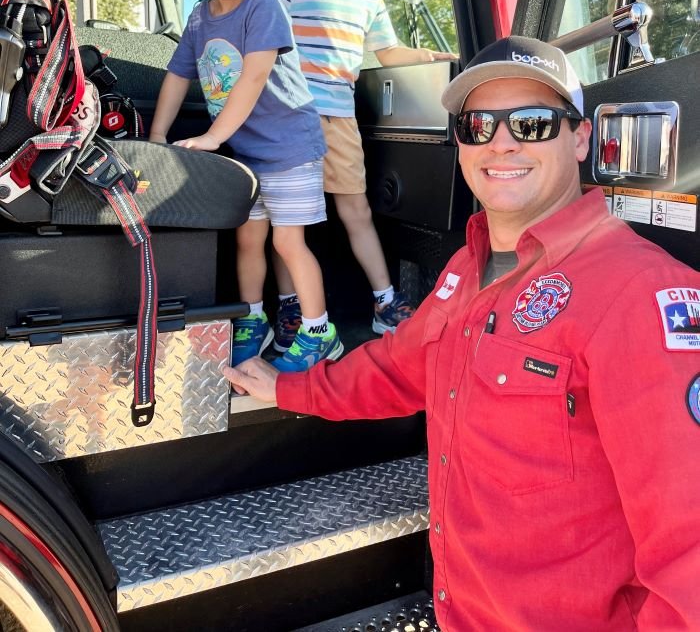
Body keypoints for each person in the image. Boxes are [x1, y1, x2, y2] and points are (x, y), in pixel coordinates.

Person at [224, 35, 700, 630]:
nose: (500, 142)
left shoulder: (644, 296)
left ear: (580, 138)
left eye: (530, 123)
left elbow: (691, 553)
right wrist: (289, 389)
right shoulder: (464, 270)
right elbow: (397, 369)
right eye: (478, 125)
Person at [150, 0, 343, 372]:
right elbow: (177, 77)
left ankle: (320, 330)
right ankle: (253, 320)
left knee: (287, 242)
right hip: (247, 156)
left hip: (289, 148)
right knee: (248, 240)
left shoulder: (263, 7)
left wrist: (214, 137)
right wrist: (155, 139)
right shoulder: (198, 18)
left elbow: (254, 76)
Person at [268, 0, 456, 358]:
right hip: (289, 119)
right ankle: (289, 310)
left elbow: (387, 53)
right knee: (289, 224)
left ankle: (384, 303)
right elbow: (266, 39)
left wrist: (431, 58)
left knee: (356, 210)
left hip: (339, 121)